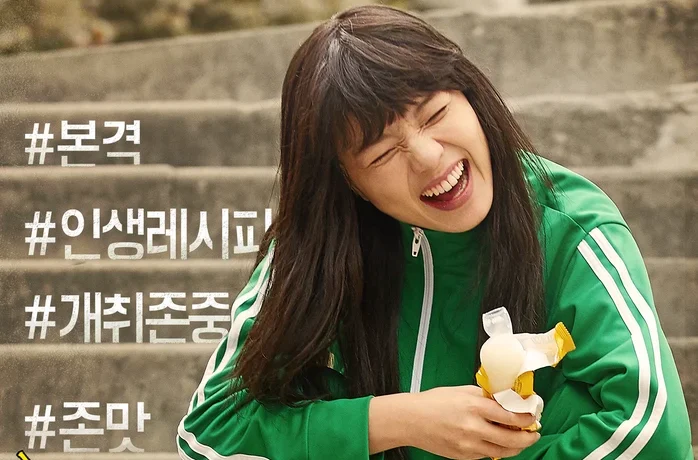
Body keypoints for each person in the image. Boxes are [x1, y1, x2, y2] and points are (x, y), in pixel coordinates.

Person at [175, 4, 693, 460]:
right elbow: (209, 431)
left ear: (472, 95)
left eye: (435, 114)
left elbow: (650, 433)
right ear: (348, 183)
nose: (427, 157)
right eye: (382, 153)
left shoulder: (570, 226)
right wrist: (399, 421)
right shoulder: (319, 248)